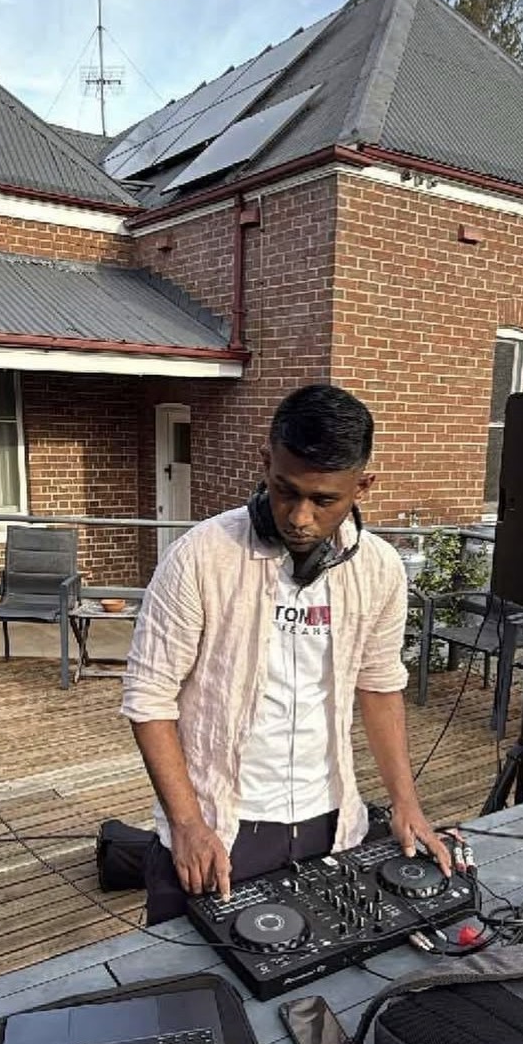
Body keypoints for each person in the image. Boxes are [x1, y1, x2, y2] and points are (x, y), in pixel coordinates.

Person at [121, 383, 450, 922]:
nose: (300, 517)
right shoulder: (199, 557)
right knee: (191, 997)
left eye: (324, 501)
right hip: (220, 825)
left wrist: (405, 801)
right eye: (284, 490)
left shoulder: (380, 568)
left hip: (333, 822)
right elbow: (149, 699)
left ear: (362, 486)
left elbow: (379, 683)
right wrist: (186, 825)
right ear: (265, 463)